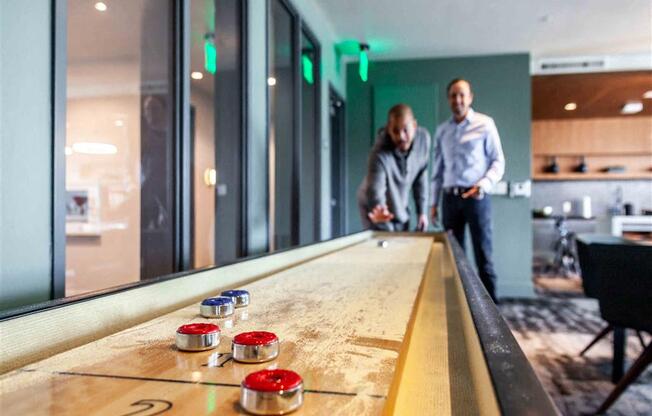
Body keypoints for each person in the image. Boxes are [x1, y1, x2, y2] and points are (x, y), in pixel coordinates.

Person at [431, 78, 505, 301]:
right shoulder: (442, 131)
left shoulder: (485, 124)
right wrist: (433, 204)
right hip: (450, 200)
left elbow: (498, 161)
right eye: (453, 95)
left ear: (470, 97)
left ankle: (493, 321)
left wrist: (483, 185)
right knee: (453, 258)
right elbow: (437, 170)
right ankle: (458, 307)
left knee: (484, 257)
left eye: (462, 94)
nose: (458, 99)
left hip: (476, 198)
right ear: (448, 100)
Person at [357, 104, 430, 232]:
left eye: (405, 130)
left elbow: (421, 178)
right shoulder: (378, 153)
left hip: (400, 201)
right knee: (384, 241)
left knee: (403, 240)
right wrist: (379, 209)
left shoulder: (423, 139)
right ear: (388, 129)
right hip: (373, 204)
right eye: (395, 131)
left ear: (414, 125)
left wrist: (422, 212)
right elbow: (375, 188)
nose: (401, 136)